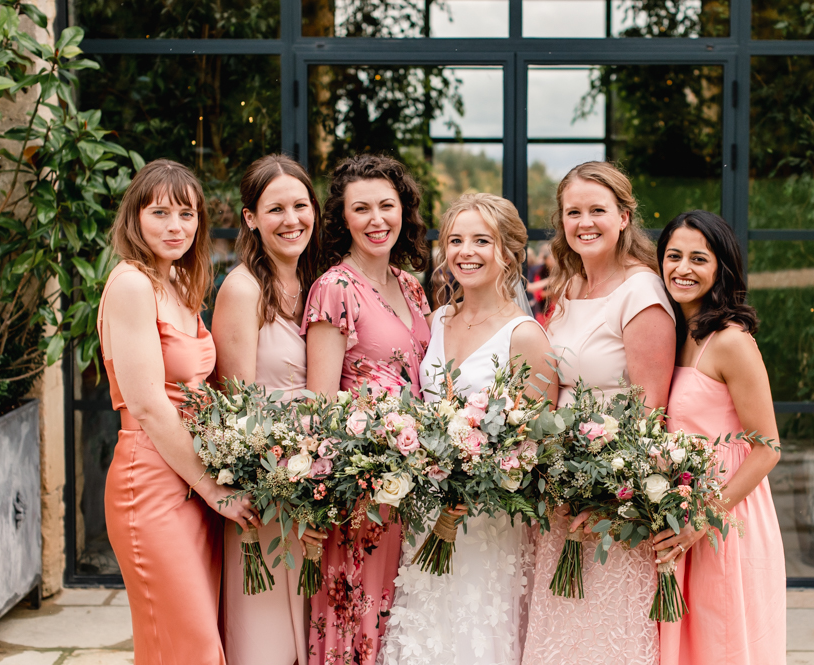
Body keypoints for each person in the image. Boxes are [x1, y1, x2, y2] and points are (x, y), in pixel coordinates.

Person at [377, 193, 557, 665]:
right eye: (455, 240)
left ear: (509, 252)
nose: (465, 251)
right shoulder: (436, 320)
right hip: (427, 511)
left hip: (486, 522)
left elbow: (538, 443)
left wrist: (475, 475)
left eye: (481, 240)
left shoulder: (524, 335)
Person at [100, 159, 262, 665]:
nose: (176, 226)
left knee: (186, 645)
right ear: (135, 217)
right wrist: (214, 490)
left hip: (191, 478)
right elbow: (150, 406)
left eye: (187, 214)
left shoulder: (177, 282)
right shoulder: (131, 285)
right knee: (191, 649)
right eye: (160, 213)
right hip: (151, 481)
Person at [521, 161, 676, 665]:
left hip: (610, 500)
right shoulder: (568, 287)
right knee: (561, 630)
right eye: (573, 212)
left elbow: (650, 410)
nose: (584, 222)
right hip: (562, 491)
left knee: (603, 632)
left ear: (624, 216)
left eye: (597, 210)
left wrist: (607, 497)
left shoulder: (642, 292)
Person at [302, 154, 433, 665]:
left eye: (386, 205)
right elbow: (320, 406)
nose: (377, 219)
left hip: (412, 489)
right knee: (357, 624)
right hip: (360, 495)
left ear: (404, 210)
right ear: (344, 218)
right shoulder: (335, 288)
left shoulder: (411, 285)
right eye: (361, 209)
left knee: (401, 628)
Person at [653, 210, 786, 665]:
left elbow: (768, 448)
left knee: (721, 645)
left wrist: (702, 518)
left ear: (720, 267)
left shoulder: (731, 340)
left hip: (725, 517)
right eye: (673, 256)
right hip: (679, 513)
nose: (682, 269)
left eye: (698, 258)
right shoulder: (674, 333)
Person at [212, 154, 328, 665]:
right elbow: (236, 410)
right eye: (275, 209)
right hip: (266, 493)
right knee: (265, 641)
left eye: (301, 206)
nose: (291, 219)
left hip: (318, 484)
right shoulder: (242, 290)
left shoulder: (318, 282)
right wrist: (281, 485)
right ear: (251, 218)